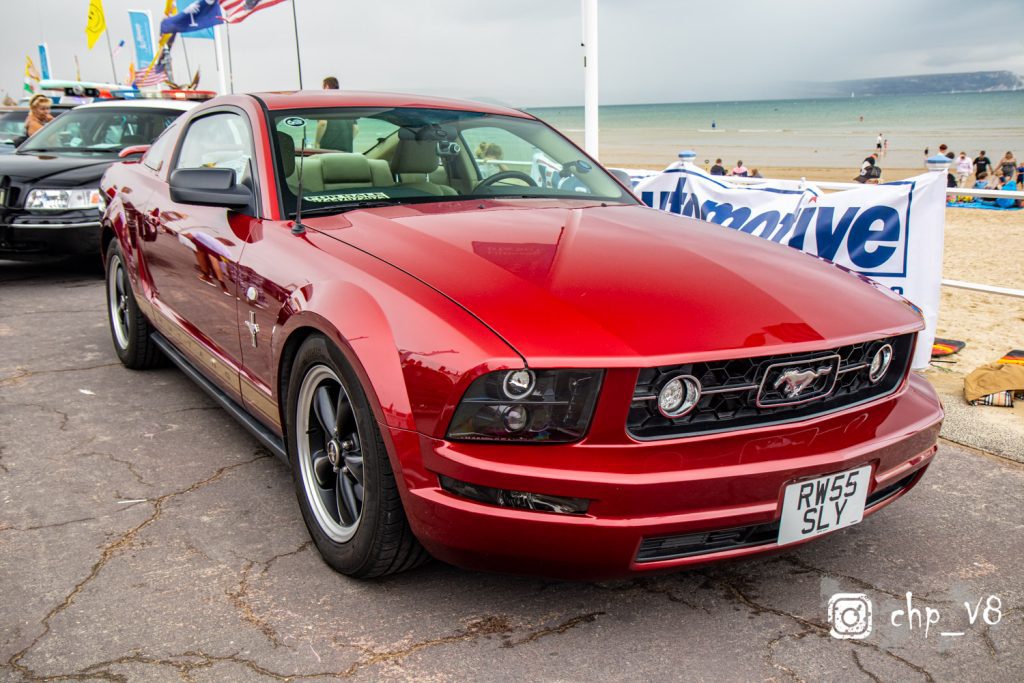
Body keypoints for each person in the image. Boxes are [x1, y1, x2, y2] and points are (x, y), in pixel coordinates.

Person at [316, 76, 357, 152]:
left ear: (327, 87)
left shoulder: (324, 102)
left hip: (327, 151)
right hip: (347, 151)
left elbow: (322, 123)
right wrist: (347, 142)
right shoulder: (347, 103)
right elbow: (356, 128)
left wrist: (317, 142)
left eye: (323, 87)